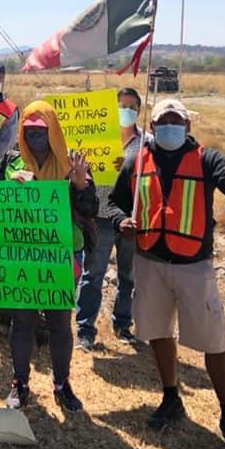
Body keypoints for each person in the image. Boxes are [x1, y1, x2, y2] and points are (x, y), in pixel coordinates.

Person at [109, 98, 225, 449]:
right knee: (158, 333)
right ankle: (171, 396)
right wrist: (120, 221)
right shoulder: (136, 160)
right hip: (149, 263)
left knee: (214, 340)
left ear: (187, 127)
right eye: (163, 122)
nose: (169, 127)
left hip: (194, 266)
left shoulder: (208, 158)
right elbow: (113, 201)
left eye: (176, 121)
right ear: (154, 126)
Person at [0, 100, 97, 412]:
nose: (34, 137)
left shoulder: (72, 165)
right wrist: (12, 191)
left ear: (53, 130)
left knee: (59, 322)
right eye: (28, 131)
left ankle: (61, 383)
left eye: (41, 130)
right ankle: (20, 383)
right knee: (23, 321)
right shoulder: (13, 163)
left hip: (62, 255)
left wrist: (81, 185)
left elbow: (90, 210)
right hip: (25, 255)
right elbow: (0, 210)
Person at [76, 87, 148, 350]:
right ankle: (85, 330)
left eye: (131, 106)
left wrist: (130, 168)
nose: (125, 111)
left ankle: (123, 324)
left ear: (139, 111)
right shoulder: (96, 139)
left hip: (132, 218)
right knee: (93, 274)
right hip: (102, 214)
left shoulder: (146, 143)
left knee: (129, 275)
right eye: (121, 105)